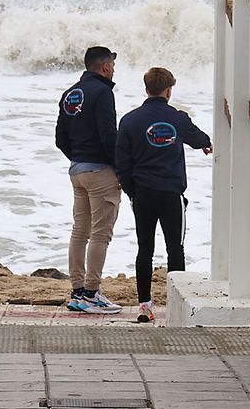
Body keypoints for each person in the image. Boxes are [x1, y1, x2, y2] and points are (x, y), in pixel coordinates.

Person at [114, 67, 211, 323]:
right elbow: (200, 138)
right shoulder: (177, 118)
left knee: (144, 249)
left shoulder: (130, 120)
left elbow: (122, 163)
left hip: (143, 194)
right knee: (175, 249)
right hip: (171, 195)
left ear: (146, 89)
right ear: (169, 91)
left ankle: (145, 306)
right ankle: (176, 307)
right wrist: (205, 144)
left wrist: (131, 192)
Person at [55, 45, 123, 314]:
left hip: (77, 171)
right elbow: (109, 134)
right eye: (113, 65)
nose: (114, 69)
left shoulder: (70, 93)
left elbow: (60, 138)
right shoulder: (103, 92)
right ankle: (92, 294)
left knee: (79, 231)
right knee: (100, 234)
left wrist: (79, 157)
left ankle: (77, 291)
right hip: (100, 171)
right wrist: (119, 169)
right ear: (105, 66)